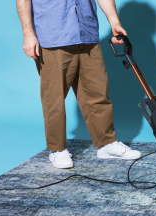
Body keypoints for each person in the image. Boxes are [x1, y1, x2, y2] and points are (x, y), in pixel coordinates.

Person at [16, 0, 141, 169]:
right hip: (53, 36)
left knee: (98, 93)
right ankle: (57, 150)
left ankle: (106, 143)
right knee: (54, 98)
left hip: (87, 34)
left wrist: (115, 22)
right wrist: (28, 33)